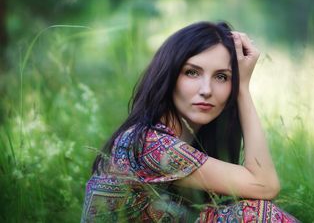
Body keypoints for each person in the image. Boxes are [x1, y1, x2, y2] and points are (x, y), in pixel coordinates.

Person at [81, 21, 299, 222]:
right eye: (192, 72)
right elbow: (265, 184)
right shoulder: (150, 145)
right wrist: (243, 90)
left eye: (222, 76)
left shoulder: (186, 144)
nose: (206, 90)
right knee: (257, 214)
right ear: (169, 75)